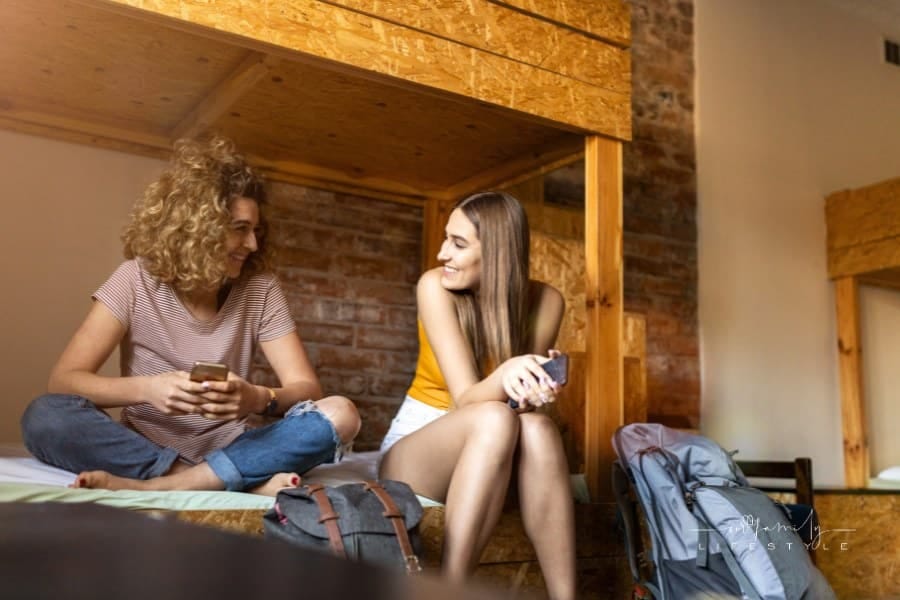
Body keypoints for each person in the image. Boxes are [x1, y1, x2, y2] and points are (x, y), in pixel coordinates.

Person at [20, 135, 360, 495]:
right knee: (44, 416)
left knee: (341, 413)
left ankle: (175, 484)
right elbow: (64, 381)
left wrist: (256, 398)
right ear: (200, 227)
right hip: (147, 448)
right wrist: (148, 389)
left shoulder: (260, 288)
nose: (252, 245)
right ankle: (205, 479)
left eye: (256, 231)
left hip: (233, 447)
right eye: (240, 229)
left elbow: (306, 389)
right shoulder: (134, 278)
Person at [378, 191, 575, 600]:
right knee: (494, 418)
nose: (441, 252)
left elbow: (516, 408)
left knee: (536, 427)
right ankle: (448, 591)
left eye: (458, 243)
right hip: (420, 446)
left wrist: (535, 386)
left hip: (496, 450)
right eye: (446, 238)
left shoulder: (547, 301)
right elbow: (467, 399)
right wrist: (507, 374)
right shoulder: (435, 287)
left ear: (499, 252)